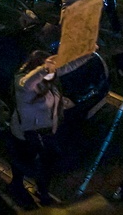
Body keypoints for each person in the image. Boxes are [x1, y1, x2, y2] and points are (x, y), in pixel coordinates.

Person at [8, 50, 92, 206]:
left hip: (45, 131)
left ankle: (41, 190)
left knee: (46, 161)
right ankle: (18, 185)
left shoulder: (48, 77)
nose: (53, 74)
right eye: (48, 71)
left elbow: (68, 66)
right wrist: (45, 68)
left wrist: (87, 53)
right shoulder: (24, 84)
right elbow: (28, 82)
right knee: (24, 160)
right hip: (26, 133)